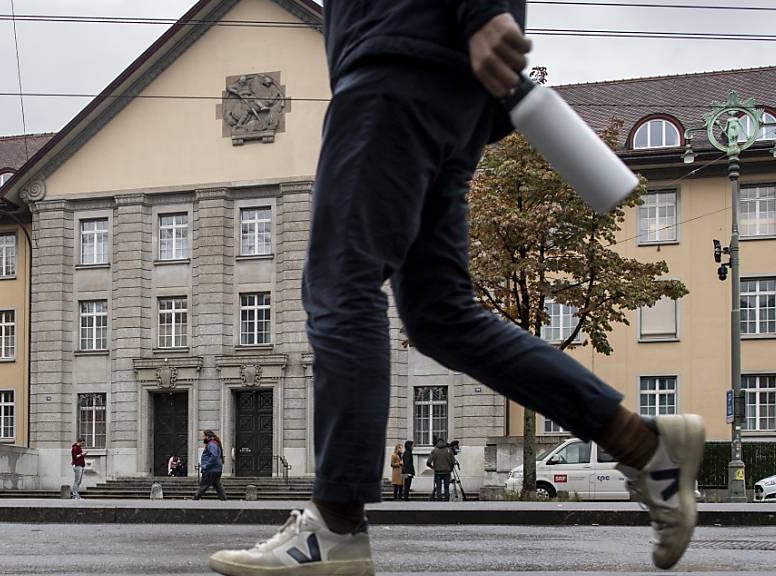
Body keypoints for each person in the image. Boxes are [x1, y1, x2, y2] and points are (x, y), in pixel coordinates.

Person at [208, 2, 705, 574]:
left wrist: (481, 8)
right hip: (444, 84)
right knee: (441, 316)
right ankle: (645, 446)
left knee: (342, 281)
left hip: (396, 61)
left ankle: (334, 526)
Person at [193, 429, 226, 501]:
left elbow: (214, 456)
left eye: (204, 436)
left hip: (211, 470)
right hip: (216, 469)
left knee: (203, 486)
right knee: (217, 486)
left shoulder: (212, 444)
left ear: (208, 436)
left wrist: (206, 466)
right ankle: (224, 501)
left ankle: (194, 500)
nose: (203, 438)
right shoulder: (214, 443)